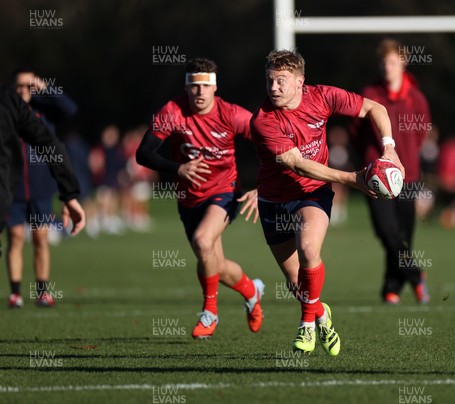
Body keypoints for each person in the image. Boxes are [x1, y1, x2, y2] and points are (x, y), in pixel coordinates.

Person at [251, 49, 403, 355]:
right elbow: (297, 164)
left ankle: (306, 325)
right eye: (270, 81)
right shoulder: (263, 121)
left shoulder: (321, 96)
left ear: (299, 82)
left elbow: (375, 108)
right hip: (274, 201)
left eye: (281, 81)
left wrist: (390, 149)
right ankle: (321, 314)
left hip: (312, 193)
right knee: (297, 283)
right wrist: (353, 179)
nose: (274, 88)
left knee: (309, 250)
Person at [136, 58, 264, 339]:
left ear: (215, 87)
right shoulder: (173, 111)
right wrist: (178, 168)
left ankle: (210, 313)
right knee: (213, 263)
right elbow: (143, 153)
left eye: (206, 86)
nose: (200, 92)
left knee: (203, 241)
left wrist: (261, 185)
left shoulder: (231, 114)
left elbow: (269, 139)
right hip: (189, 199)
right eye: (194, 86)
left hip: (225, 191)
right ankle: (252, 291)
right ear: (186, 87)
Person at [352, 39, 431, 305]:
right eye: (384, 63)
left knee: (403, 236)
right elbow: (356, 132)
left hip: (407, 176)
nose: (388, 68)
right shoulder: (370, 94)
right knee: (387, 231)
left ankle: (391, 287)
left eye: (393, 63)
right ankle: (417, 275)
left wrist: (405, 158)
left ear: (403, 64)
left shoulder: (416, 98)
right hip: (375, 176)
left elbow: (421, 134)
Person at [6, 69, 78, 308]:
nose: (23, 90)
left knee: (40, 238)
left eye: (28, 86)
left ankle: (42, 291)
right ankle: (15, 292)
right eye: (19, 86)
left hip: (40, 187)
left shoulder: (44, 111)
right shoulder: (7, 114)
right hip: (12, 189)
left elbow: (70, 109)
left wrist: (45, 89)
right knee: (15, 237)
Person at [0, 85, 85, 260]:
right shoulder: (8, 101)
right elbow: (49, 144)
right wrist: (69, 193)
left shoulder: (11, 103)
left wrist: (69, 193)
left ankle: (39, 287)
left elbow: (49, 143)